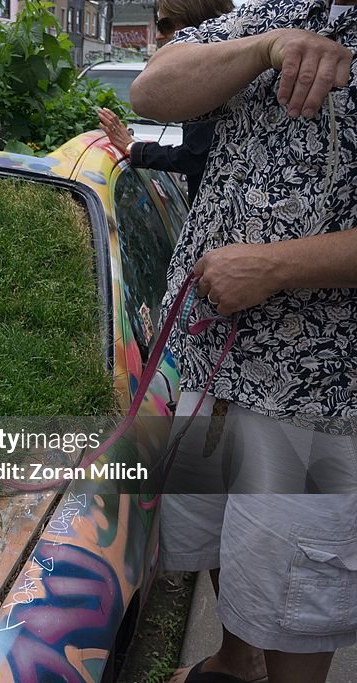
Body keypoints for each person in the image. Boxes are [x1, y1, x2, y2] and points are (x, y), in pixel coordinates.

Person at [131, 2, 357, 683]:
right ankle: (236, 659)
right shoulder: (276, 12)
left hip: (312, 386)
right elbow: (152, 88)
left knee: (294, 574)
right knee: (223, 531)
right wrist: (267, 48)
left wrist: (276, 266)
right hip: (210, 356)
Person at [97, 0, 233, 203]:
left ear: (197, 23)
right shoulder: (228, 65)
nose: (158, 36)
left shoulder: (213, 76)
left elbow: (194, 156)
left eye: (166, 26)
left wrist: (133, 147)